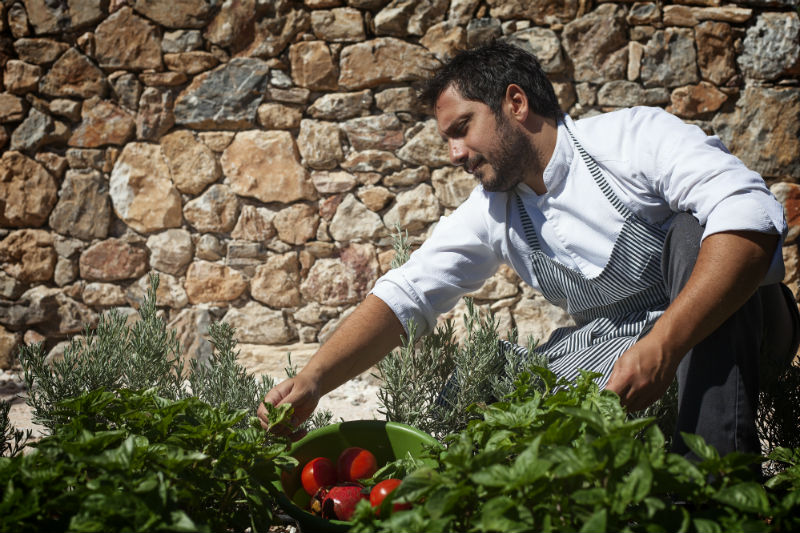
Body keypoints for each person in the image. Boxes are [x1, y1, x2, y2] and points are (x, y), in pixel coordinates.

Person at [258, 42, 798, 457]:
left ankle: (713, 492)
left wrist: (664, 343)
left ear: (515, 102)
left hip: (745, 323)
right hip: (619, 343)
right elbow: (406, 293)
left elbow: (750, 217)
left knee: (693, 230)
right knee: (489, 398)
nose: (454, 152)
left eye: (462, 128)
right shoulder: (495, 210)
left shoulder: (633, 139)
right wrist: (313, 379)